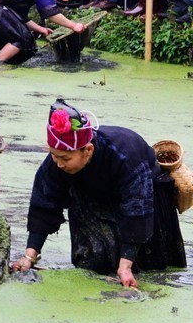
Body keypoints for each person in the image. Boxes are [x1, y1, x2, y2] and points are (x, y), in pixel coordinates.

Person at [11, 100, 186, 287]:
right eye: (54, 155)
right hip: (92, 199)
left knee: (151, 269)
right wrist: (29, 256)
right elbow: (43, 204)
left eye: (65, 158)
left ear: (88, 150)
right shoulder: (56, 163)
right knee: (93, 265)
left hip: (147, 199)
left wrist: (126, 265)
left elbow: (137, 210)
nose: (59, 163)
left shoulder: (124, 154)